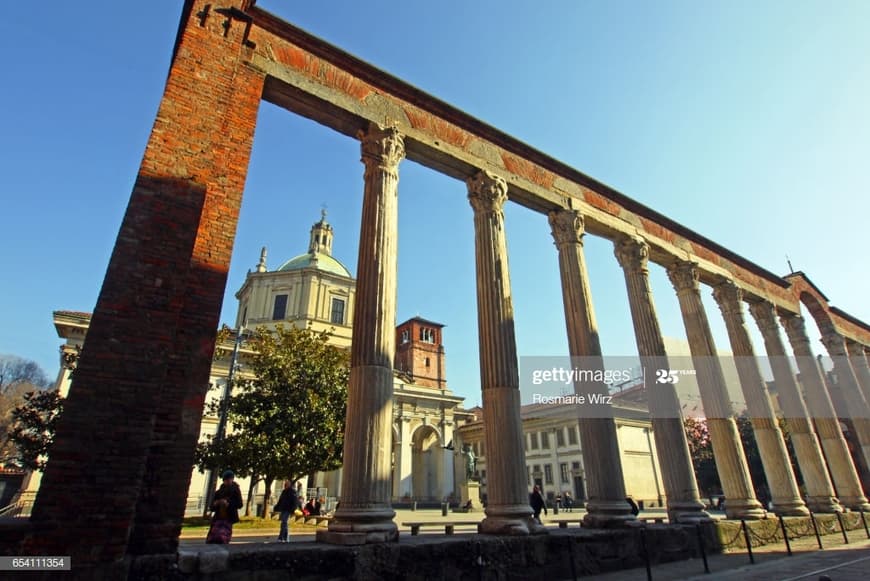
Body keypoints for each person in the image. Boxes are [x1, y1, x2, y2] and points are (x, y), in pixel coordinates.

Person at [207, 470, 244, 544]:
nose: (228, 481)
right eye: (226, 479)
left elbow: (240, 504)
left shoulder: (235, 490)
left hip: (228, 517)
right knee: (213, 537)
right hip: (218, 518)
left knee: (223, 537)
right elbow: (212, 506)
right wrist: (216, 503)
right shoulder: (219, 491)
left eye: (230, 479)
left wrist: (229, 504)